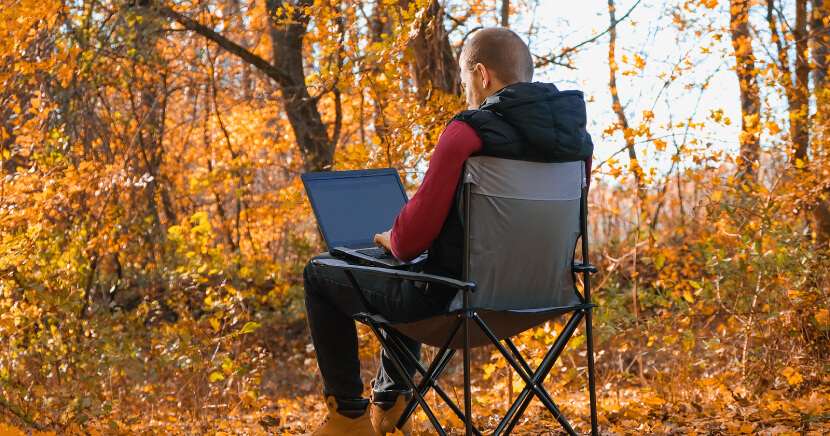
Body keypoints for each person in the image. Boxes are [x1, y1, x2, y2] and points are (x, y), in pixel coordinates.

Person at [303, 27, 594, 435]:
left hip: (457, 307)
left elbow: (410, 240)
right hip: (546, 299)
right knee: (403, 269)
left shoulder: (467, 132)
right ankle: (392, 403)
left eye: (463, 79)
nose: (465, 90)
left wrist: (392, 238)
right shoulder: (577, 143)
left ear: (482, 74)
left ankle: (348, 418)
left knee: (323, 271)